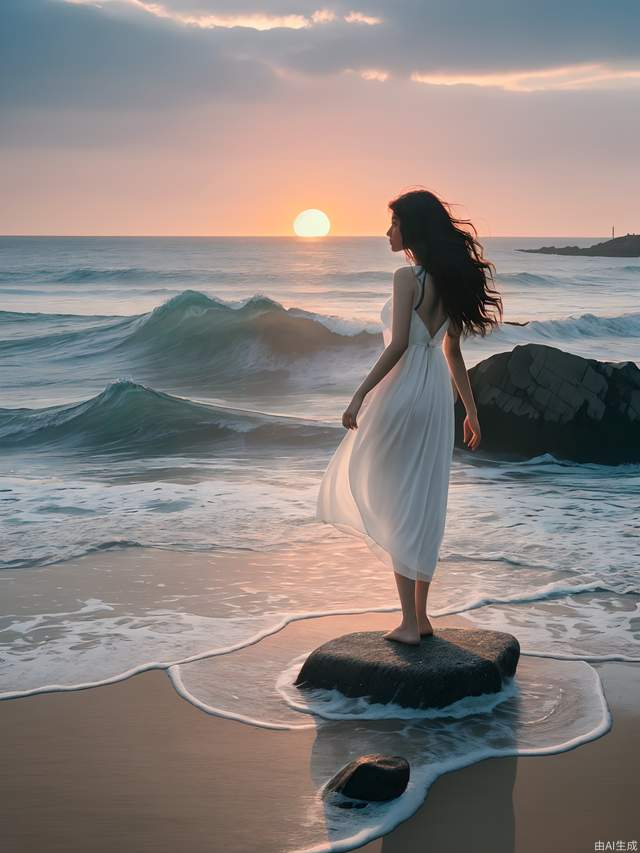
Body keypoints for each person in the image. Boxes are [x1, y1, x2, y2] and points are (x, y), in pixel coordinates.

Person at [315, 187, 503, 646]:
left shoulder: (408, 278)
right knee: (425, 497)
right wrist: (471, 411)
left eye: (394, 223)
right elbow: (452, 351)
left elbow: (399, 345)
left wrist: (359, 394)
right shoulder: (450, 280)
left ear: (412, 229)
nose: (387, 231)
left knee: (396, 496)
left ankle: (407, 623)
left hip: (403, 389)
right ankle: (420, 617)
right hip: (437, 392)